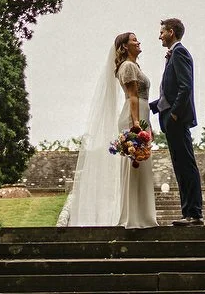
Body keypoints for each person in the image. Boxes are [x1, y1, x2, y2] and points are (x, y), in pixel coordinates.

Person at [58, 31, 158, 228]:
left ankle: (142, 216)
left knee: (141, 166)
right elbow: (132, 97)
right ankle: (132, 218)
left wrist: (149, 124)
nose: (138, 42)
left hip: (141, 115)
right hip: (133, 117)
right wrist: (136, 124)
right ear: (124, 47)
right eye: (134, 40)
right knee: (134, 165)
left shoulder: (133, 66)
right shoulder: (128, 66)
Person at [151, 17, 203, 225]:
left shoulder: (179, 52)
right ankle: (188, 213)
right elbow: (170, 91)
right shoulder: (172, 55)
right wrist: (150, 105)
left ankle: (194, 213)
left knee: (186, 165)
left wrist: (173, 114)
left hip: (177, 120)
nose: (159, 36)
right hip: (171, 119)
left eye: (162, 32)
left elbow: (185, 86)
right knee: (180, 166)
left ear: (171, 32)